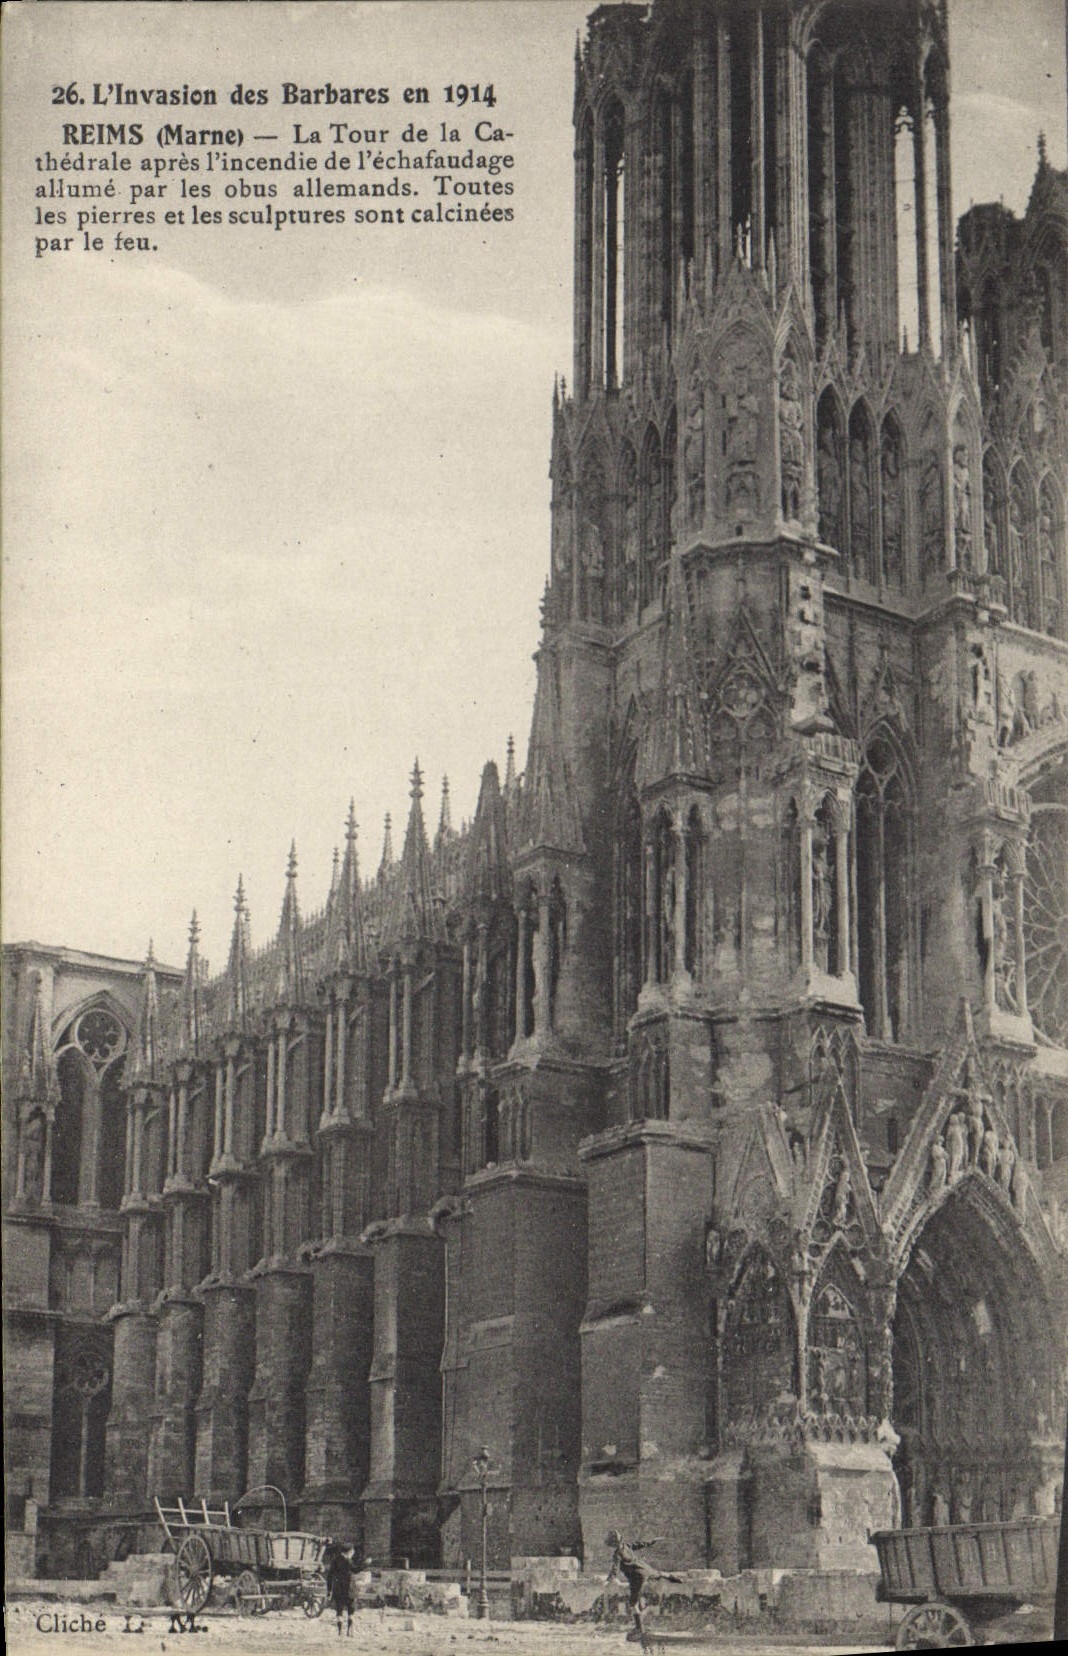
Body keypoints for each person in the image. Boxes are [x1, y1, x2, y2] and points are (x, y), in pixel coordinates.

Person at [605, 1530, 682, 1642]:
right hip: (645, 1570)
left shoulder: (617, 1554)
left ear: (611, 1544)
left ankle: (639, 1628)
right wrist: (651, 1542)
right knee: (659, 1574)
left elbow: (615, 1569)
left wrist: (609, 1579)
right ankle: (675, 1578)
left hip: (636, 1577)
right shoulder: (627, 1546)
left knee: (633, 1605)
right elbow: (640, 1544)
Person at [323, 1539, 355, 1637]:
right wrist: (366, 1563)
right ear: (349, 1551)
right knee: (351, 1610)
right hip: (350, 1588)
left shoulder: (335, 1561)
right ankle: (349, 1629)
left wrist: (329, 1590)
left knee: (339, 1610)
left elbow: (329, 1576)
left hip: (338, 1588)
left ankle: (340, 1631)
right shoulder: (349, 1561)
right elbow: (356, 1569)